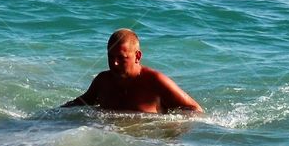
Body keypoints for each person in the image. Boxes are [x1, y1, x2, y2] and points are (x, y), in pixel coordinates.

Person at [62, 29, 203, 115]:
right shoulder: (102, 81)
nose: (114, 63)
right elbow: (79, 104)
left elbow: (195, 110)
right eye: (110, 57)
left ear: (137, 56)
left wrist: (171, 127)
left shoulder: (156, 81)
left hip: (146, 145)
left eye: (121, 58)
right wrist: (48, 116)